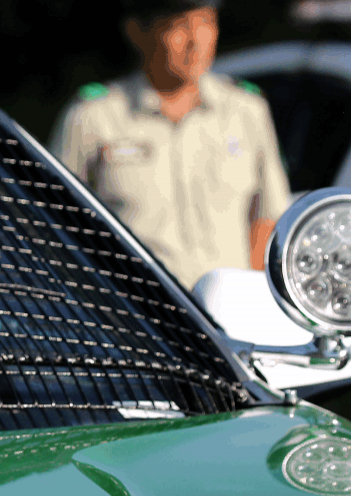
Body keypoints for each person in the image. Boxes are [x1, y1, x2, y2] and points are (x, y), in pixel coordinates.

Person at [48, 0, 291, 289]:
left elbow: (267, 219)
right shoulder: (93, 117)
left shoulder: (246, 111)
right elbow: (55, 223)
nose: (195, 41)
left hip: (228, 319)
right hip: (135, 316)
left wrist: (249, 295)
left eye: (206, 23)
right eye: (179, 27)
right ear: (137, 31)